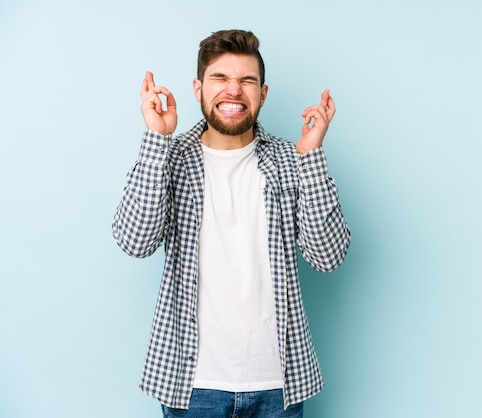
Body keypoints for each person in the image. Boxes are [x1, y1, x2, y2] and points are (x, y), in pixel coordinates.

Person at [112, 29, 350, 417]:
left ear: (263, 93)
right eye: (220, 78)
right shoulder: (170, 159)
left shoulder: (292, 161)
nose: (233, 91)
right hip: (193, 386)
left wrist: (312, 157)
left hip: (279, 385)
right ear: (198, 88)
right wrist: (157, 139)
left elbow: (328, 257)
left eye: (247, 81)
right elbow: (135, 241)